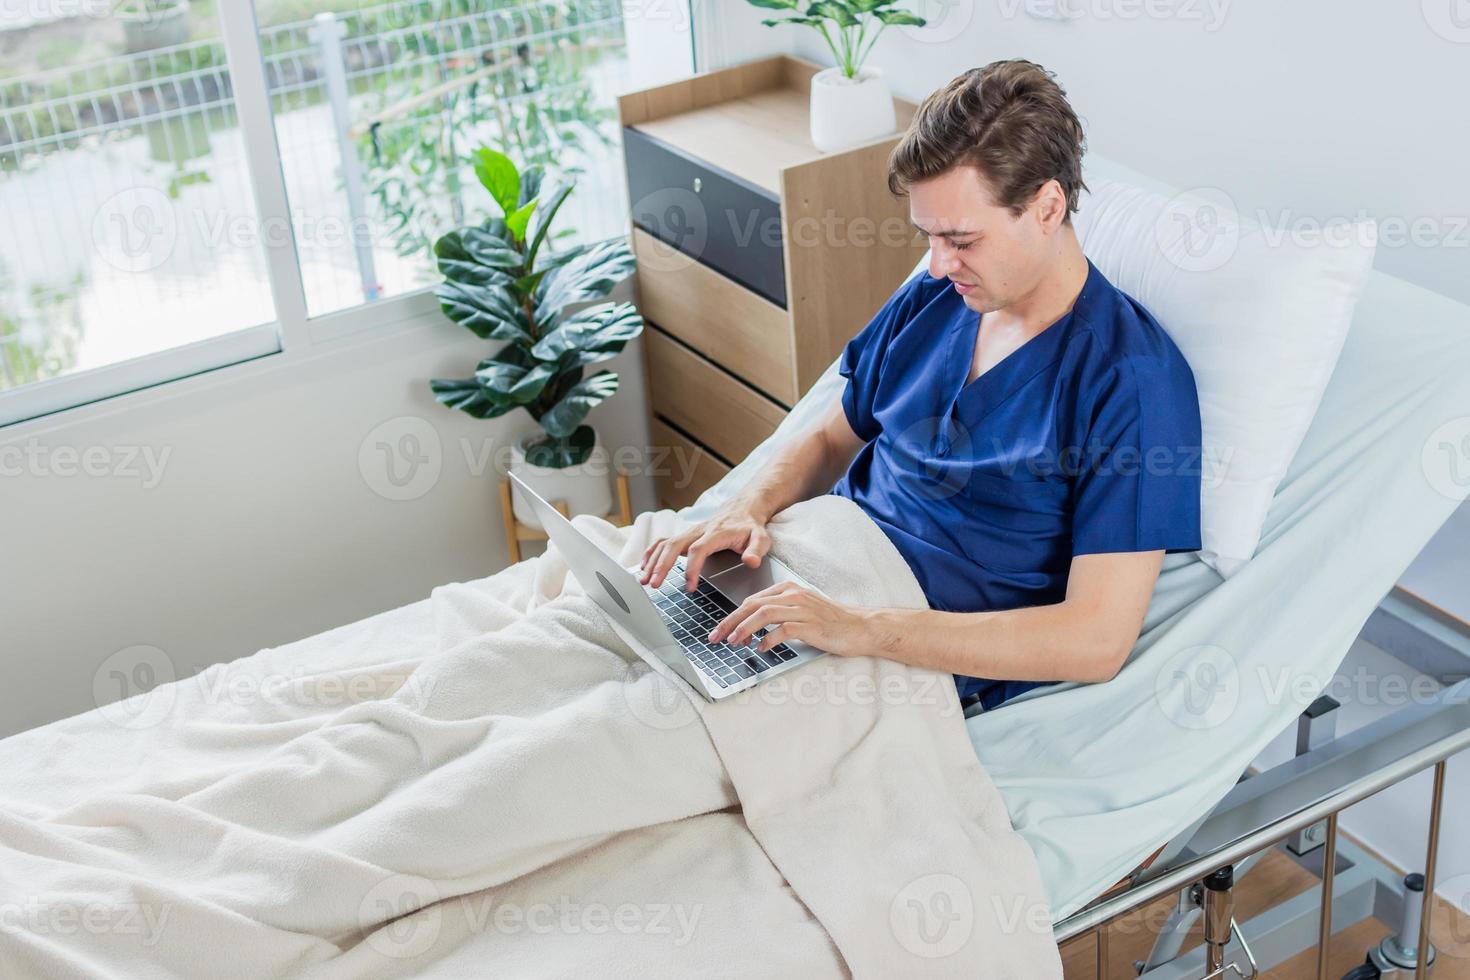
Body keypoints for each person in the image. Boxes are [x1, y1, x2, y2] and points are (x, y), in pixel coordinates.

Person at [638, 59, 1203, 713]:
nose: (936, 264)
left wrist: (856, 628)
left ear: (1047, 207)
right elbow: (828, 440)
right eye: (928, 237)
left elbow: (1095, 641)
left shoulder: (1129, 383)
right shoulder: (936, 299)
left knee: (612, 734)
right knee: (593, 624)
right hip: (806, 569)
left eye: (961, 239)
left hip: (897, 649)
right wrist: (745, 509)